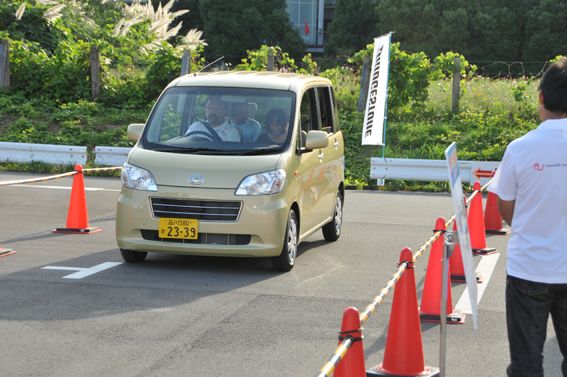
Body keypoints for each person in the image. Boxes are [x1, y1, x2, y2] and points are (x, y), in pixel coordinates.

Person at [489, 57, 567, 377]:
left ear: (541, 98)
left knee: (526, 363)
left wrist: (531, 221)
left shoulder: (520, 148)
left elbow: (504, 205)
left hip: (529, 269)